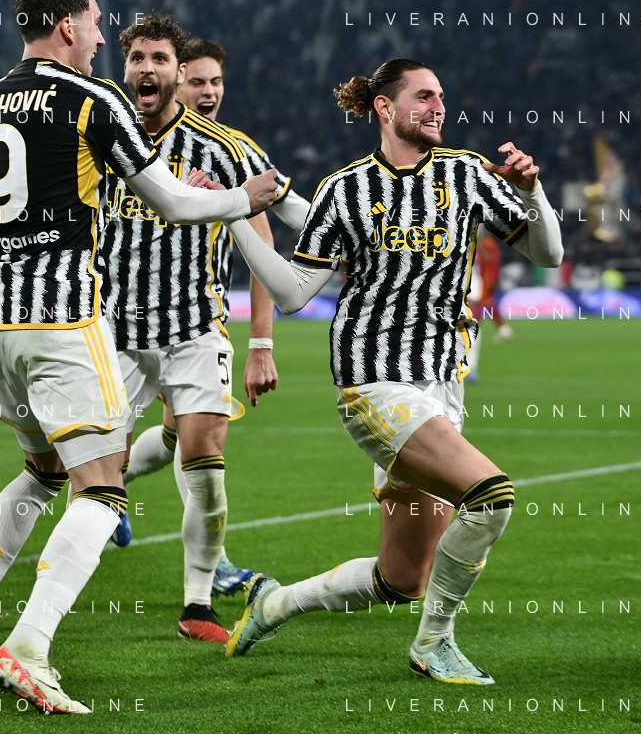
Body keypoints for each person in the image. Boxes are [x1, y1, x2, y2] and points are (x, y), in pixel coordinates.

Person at [0, 0, 276, 713]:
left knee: (41, 472)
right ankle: (28, 648)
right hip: (68, 324)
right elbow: (170, 199)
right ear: (65, 26)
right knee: (101, 490)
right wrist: (240, 200)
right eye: (93, 24)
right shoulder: (92, 100)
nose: (96, 38)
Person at [217, 58, 563, 684]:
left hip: (441, 387)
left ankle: (274, 603)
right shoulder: (344, 190)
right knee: (491, 497)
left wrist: (532, 192)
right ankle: (434, 645)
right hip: (373, 382)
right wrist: (237, 220)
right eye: (424, 96)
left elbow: (549, 251)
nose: (438, 107)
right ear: (385, 107)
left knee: (401, 579)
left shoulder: (464, 174)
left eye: (441, 96)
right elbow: (293, 293)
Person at [96, 14, 284, 644]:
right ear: (127, 67)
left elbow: (263, 251)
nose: (149, 70)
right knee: (93, 468)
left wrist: (261, 345)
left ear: (174, 72)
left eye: (161, 60)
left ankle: (198, 604)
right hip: (114, 332)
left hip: (194, 329)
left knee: (203, 455)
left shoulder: (226, 150)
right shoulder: (98, 135)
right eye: (138, 58)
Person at [464, 230, 513, 384]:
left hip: (478, 286)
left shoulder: (486, 245)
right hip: (468, 287)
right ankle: (505, 330)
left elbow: (491, 260)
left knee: (473, 324)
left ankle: (471, 367)